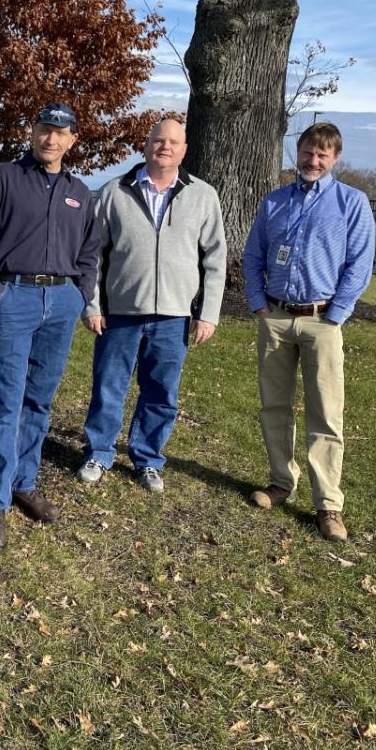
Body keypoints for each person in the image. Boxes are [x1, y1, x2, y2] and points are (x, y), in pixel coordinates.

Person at [0, 103, 98, 550]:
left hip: (60, 302)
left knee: (39, 400)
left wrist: (79, 292)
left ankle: (24, 482)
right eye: (44, 130)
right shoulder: (3, 178)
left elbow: (90, 252)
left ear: (72, 139)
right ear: (32, 132)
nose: (51, 139)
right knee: (6, 401)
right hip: (12, 298)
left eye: (60, 133)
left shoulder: (81, 193)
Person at [242, 121, 375, 542]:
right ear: (296, 153)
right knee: (274, 406)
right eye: (307, 152)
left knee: (325, 413)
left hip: (323, 320)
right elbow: (252, 256)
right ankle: (281, 482)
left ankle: (328, 505)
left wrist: (336, 313)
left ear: (335, 158)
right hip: (277, 318)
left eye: (322, 154)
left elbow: (359, 264)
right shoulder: (275, 202)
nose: (312, 160)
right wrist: (259, 303)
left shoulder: (351, 202)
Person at [77, 118, 225, 493]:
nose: (165, 147)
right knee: (109, 385)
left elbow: (215, 259)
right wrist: (92, 305)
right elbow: (92, 255)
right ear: (146, 146)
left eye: (174, 142)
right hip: (120, 313)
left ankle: (147, 458)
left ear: (184, 150)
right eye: (159, 140)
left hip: (174, 316)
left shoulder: (203, 195)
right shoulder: (114, 192)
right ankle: (98, 452)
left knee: (161, 391)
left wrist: (207, 313)